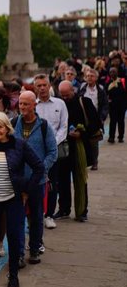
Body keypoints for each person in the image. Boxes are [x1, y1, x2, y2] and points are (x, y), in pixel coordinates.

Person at [0, 112, 45, 287]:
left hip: (13, 196)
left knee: (14, 235)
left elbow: (39, 167)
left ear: (7, 128)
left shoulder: (19, 144)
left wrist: (27, 189)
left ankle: (13, 273)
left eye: (0, 127)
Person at [13, 91, 57, 267]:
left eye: (26, 104)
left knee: (36, 217)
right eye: (20, 104)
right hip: (17, 180)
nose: (22, 107)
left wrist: (41, 170)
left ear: (34, 105)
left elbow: (52, 152)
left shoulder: (44, 126)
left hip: (37, 181)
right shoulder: (12, 124)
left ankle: (35, 248)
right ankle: (18, 253)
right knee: (16, 218)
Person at [57, 81, 99, 222]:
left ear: (73, 91)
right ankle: (63, 209)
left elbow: (96, 124)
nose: (65, 98)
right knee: (62, 180)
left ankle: (81, 211)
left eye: (67, 95)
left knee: (80, 179)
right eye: (62, 95)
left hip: (80, 147)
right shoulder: (58, 104)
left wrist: (81, 134)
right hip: (63, 147)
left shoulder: (84, 102)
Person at [33, 73, 68, 229]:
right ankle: (36, 214)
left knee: (52, 183)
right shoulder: (33, 105)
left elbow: (64, 126)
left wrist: (53, 142)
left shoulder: (59, 104)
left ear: (49, 86)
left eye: (44, 85)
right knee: (36, 182)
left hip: (53, 150)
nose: (42, 88)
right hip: (35, 151)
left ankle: (49, 214)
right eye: (39, 85)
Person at [79, 68, 109, 169]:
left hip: (96, 118)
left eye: (91, 76)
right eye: (87, 76)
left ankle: (95, 161)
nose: (89, 78)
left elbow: (105, 105)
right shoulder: (82, 88)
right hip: (83, 117)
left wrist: (102, 117)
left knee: (94, 141)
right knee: (83, 140)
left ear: (96, 78)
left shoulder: (100, 89)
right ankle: (85, 161)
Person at [106, 67, 127, 143]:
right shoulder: (108, 83)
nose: (112, 73)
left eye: (114, 72)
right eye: (111, 72)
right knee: (113, 121)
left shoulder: (122, 81)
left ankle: (120, 137)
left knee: (121, 121)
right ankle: (111, 137)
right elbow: (105, 93)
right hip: (112, 106)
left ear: (117, 72)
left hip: (122, 105)